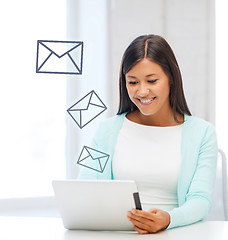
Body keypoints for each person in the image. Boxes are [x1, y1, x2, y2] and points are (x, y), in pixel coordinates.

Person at [79, 34, 218, 234]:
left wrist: (168, 219)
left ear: (171, 79)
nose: (142, 92)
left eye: (152, 81)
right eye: (133, 82)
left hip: (175, 233)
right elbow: (84, 188)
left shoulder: (202, 134)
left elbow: (200, 200)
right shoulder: (106, 131)